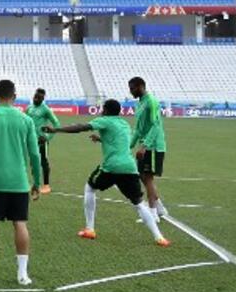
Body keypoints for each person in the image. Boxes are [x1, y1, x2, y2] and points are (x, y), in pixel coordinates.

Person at [43, 99, 170, 247]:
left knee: (90, 188)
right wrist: (102, 139)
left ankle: (90, 229)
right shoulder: (123, 124)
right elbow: (119, 143)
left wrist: (56, 130)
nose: (101, 111)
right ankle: (159, 237)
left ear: (107, 110)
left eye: (103, 108)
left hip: (111, 167)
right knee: (139, 204)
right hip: (129, 167)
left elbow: (81, 127)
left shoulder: (104, 120)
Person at [0, 79, 42, 286]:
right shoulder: (26, 120)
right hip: (19, 182)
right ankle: (22, 274)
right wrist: (37, 181)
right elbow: (35, 154)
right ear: (15, 96)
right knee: (20, 223)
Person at [129, 76, 167, 222]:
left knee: (148, 177)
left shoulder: (151, 102)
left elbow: (155, 126)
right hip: (144, 145)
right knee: (143, 176)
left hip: (153, 145)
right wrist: (130, 146)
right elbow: (138, 129)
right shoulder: (140, 104)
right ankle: (160, 207)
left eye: (132, 88)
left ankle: (153, 214)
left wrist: (144, 146)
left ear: (141, 86)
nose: (131, 91)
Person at [25, 88, 60, 194]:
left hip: (41, 141)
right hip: (30, 140)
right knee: (32, 161)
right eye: (35, 96)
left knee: (43, 162)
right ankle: (35, 183)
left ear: (43, 99)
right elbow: (25, 121)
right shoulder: (29, 108)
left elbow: (56, 124)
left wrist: (47, 137)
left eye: (39, 98)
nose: (36, 99)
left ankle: (46, 185)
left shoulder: (45, 109)